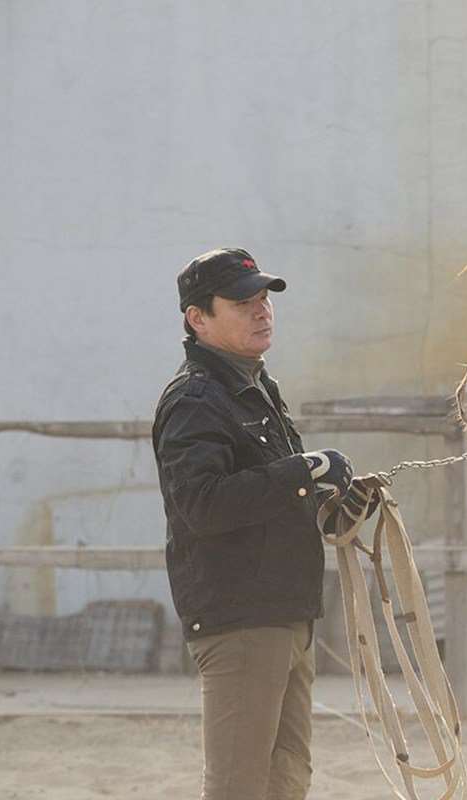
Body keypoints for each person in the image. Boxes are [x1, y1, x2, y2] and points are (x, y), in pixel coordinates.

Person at [151, 247, 371, 799]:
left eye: (263, 299)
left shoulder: (254, 388)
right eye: (242, 302)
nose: (261, 311)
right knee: (239, 787)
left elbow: (265, 500)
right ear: (197, 318)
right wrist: (304, 470)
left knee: (286, 778)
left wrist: (332, 498)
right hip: (242, 621)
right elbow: (201, 504)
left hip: (282, 615)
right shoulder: (196, 399)